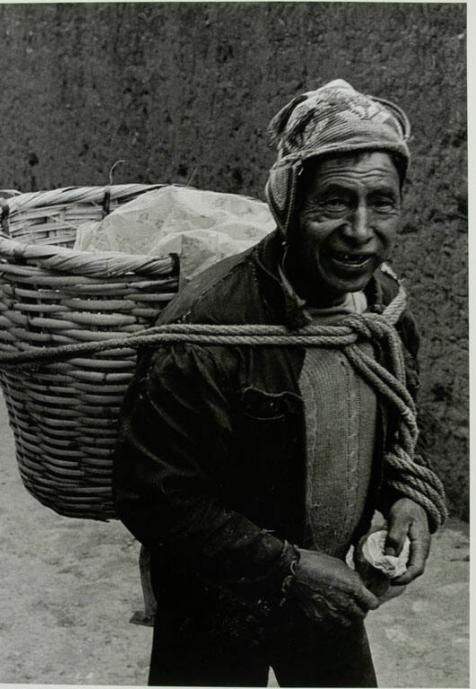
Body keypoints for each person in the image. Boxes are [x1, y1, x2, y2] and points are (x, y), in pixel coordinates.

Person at [112, 80, 448, 687]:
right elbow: (152, 496)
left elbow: (401, 432)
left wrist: (409, 500)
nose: (360, 230)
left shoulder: (384, 311)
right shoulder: (207, 328)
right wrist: (289, 570)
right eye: (334, 202)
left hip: (329, 599)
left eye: (383, 202)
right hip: (212, 604)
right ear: (288, 203)